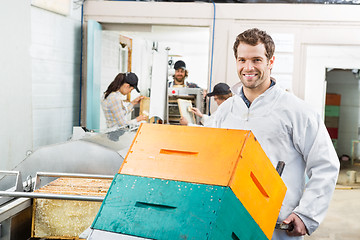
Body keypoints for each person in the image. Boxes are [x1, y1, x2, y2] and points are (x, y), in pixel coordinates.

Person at [208, 28, 339, 239]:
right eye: (242, 60)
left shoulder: (297, 111)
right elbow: (213, 162)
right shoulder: (225, 111)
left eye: (257, 59)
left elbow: (326, 165)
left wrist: (306, 215)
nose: (248, 67)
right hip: (228, 220)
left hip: (279, 227)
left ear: (271, 61)